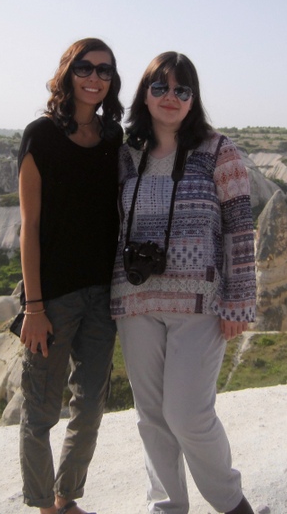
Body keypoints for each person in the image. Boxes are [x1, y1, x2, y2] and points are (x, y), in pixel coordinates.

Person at [110, 52, 257, 514]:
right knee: (152, 417)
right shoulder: (125, 153)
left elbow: (239, 228)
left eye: (182, 90)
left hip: (200, 303)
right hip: (135, 300)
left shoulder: (218, 151)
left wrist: (240, 300)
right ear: (145, 94)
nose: (170, 97)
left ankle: (232, 505)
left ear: (193, 99)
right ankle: (167, 507)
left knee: (188, 415)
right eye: (160, 87)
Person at [17, 37, 123, 514]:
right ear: (68, 73)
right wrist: (33, 308)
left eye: (104, 71)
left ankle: (67, 497)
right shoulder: (40, 136)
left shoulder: (114, 138)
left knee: (92, 406)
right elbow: (30, 227)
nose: (94, 77)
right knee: (40, 411)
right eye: (85, 68)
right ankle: (44, 507)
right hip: (53, 300)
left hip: (103, 295)